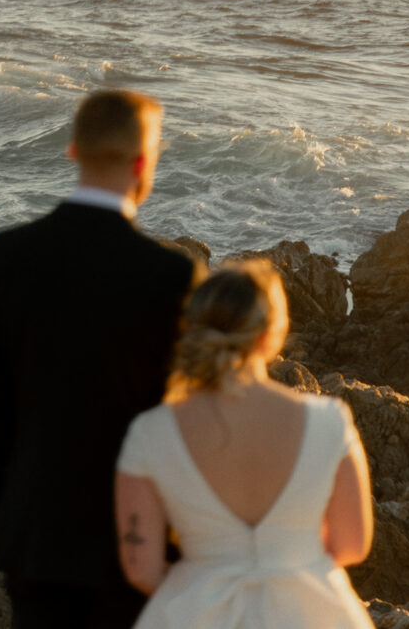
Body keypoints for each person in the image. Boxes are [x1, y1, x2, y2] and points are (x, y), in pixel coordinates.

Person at [0, 90, 197, 627]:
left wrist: (1, 523)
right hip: (136, 538)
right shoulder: (171, 275)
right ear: (143, 162)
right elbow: (179, 418)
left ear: (72, 150)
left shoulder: (6, 257)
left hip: (33, 532)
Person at [115, 260, 374, 628]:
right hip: (314, 614)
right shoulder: (329, 421)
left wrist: (196, 593)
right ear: (270, 333)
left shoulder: (151, 432)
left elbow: (141, 566)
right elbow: (352, 543)